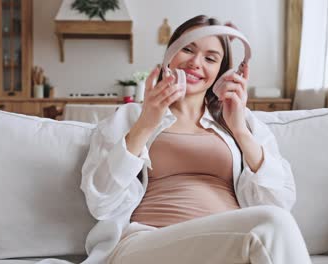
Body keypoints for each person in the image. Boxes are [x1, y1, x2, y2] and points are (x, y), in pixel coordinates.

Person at [80, 15, 311, 264]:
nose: (195, 63)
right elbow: (100, 201)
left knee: (275, 222)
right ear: (169, 55)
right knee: (272, 224)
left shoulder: (244, 123)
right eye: (187, 49)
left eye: (210, 58)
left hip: (228, 249)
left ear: (222, 74)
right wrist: (146, 124)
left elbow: (281, 201)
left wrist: (240, 131)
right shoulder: (131, 116)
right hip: (147, 246)